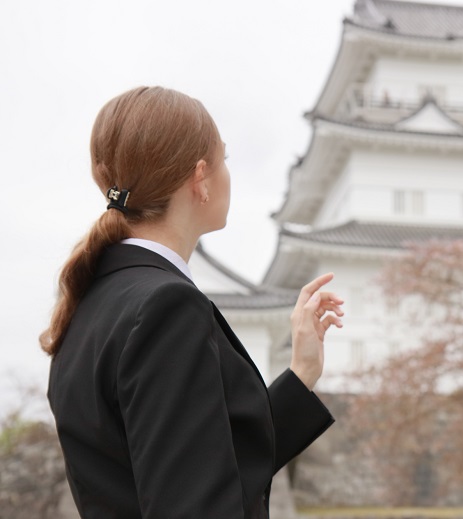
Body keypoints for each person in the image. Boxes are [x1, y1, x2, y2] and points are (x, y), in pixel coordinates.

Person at [41, 86, 344, 519]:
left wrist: (301, 374)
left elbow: (203, 469)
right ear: (200, 178)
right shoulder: (167, 308)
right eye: (224, 158)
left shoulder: (89, 304)